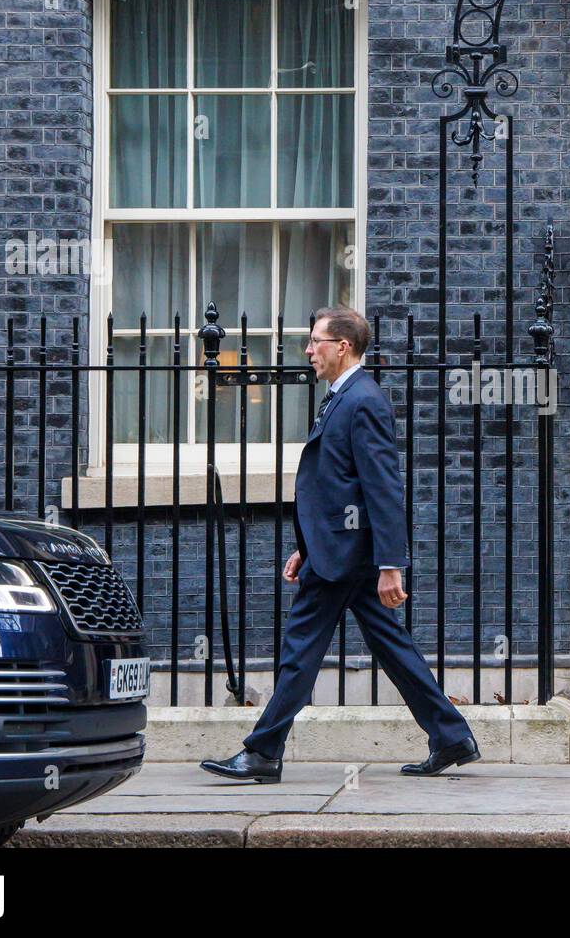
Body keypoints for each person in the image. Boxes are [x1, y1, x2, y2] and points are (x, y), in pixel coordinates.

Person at [200, 307, 479, 781]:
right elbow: (339, 486)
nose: (308, 350)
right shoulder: (342, 397)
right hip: (338, 552)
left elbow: (382, 486)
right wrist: (307, 547)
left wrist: (392, 563)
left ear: (342, 346)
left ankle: (263, 752)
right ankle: (451, 737)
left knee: (299, 650)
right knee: (392, 647)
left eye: (315, 341)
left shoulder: (362, 400)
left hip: (347, 559)